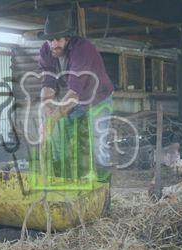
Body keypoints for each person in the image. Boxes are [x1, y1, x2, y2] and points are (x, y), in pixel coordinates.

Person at [37, 11, 115, 179]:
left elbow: (74, 93)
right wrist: (46, 108)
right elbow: (48, 84)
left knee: (96, 138)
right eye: (50, 39)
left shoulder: (82, 50)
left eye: (58, 39)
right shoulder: (46, 50)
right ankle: (62, 178)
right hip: (77, 98)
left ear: (67, 38)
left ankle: (104, 185)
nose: (54, 44)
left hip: (98, 97)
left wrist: (51, 120)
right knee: (57, 134)